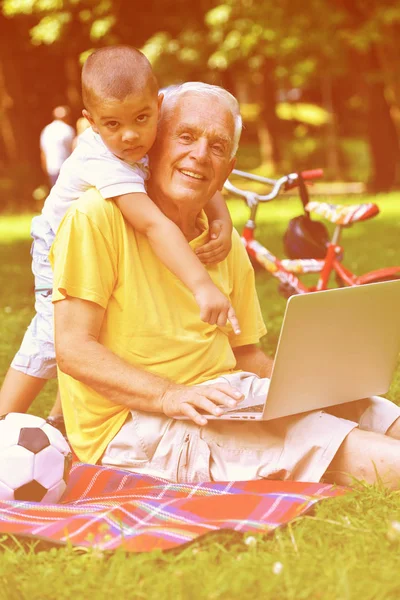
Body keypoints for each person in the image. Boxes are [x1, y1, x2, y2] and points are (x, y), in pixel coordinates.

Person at [51, 82, 400, 489]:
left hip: (222, 396)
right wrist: (170, 395)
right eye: (185, 136)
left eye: (217, 147)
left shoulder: (222, 240)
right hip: (134, 423)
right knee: (318, 440)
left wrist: (308, 388)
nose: (199, 155)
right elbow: (73, 349)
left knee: (369, 409)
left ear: (228, 169)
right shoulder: (96, 217)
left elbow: (244, 353)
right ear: (153, 143)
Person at [0, 47, 238, 425]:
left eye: (141, 118)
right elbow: (153, 224)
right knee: (54, 332)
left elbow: (202, 179)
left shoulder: (150, 133)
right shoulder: (104, 160)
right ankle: (4, 416)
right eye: (112, 125)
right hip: (57, 246)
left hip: (102, 242)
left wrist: (220, 217)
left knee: (102, 323)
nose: (129, 136)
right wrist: (202, 285)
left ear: (158, 105)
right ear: (91, 122)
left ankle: (63, 419)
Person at [40, 105, 75, 187]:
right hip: (67, 168)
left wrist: (46, 170)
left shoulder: (46, 130)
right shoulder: (68, 129)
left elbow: (43, 153)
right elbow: (73, 150)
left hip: (52, 169)